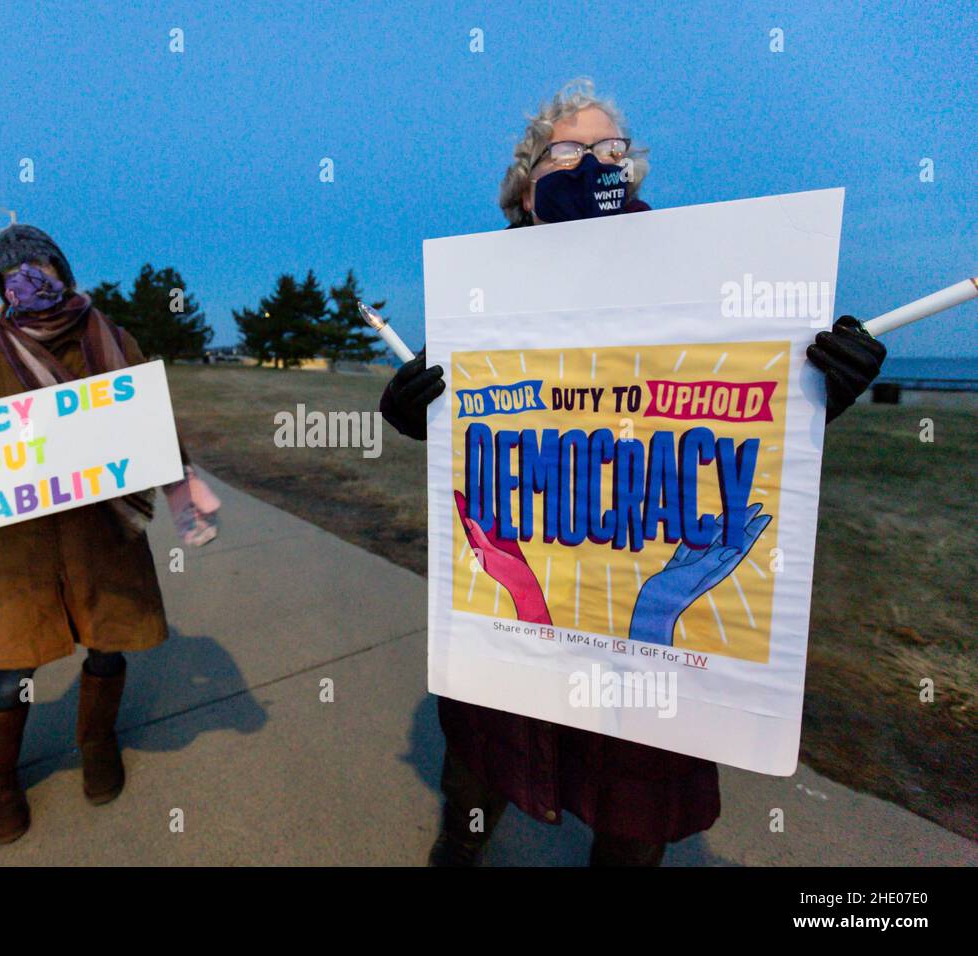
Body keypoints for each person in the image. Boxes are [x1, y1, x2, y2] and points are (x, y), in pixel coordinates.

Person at [380, 79, 886, 867]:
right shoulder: (481, 292)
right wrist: (419, 412)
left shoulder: (705, 278)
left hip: (637, 629)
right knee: (480, 758)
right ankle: (458, 845)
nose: (593, 162)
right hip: (518, 612)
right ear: (525, 180)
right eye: (569, 149)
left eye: (611, 150)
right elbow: (472, 415)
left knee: (634, 804)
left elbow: (742, 411)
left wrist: (820, 387)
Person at [0, 224, 220, 844]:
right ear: (0, 286)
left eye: (37, 268)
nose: (27, 281)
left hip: (102, 529)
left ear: (61, 270)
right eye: (12, 275)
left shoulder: (114, 339)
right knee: (13, 667)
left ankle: (95, 742)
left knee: (108, 642)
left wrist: (182, 488)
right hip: (27, 541)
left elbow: (150, 425)